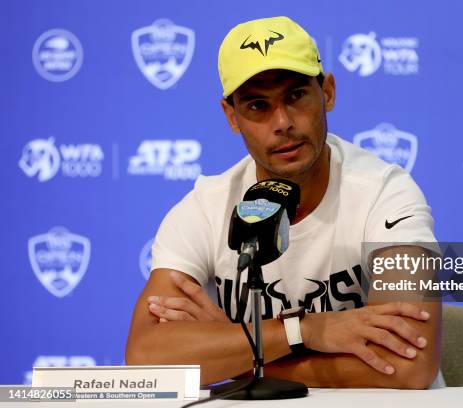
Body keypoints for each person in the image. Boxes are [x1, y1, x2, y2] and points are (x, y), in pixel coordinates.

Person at [126, 16, 442, 389]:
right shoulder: (204, 209)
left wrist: (234, 353)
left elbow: (409, 366)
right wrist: (303, 330)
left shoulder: (387, 194)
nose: (282, 122)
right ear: (232, 117)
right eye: (258, 106)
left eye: (295, 96)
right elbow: (146, 357)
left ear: (327, 92)